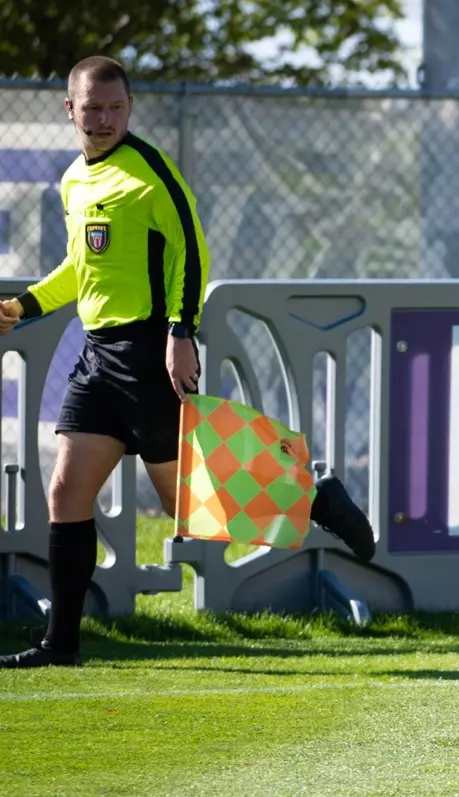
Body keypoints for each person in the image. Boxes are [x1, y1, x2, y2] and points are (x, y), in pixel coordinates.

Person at [0, 56, 376, 670]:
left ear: (130, 108)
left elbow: (192, 255)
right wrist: (24, 305)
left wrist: (181, 333)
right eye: (92, 108)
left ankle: (313, 497)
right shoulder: (74, 180)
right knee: (67, 491)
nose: (104, 119)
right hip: (97, 358)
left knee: (191, 504)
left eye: (115, 108)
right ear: (70, 108)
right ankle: (60, 644)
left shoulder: (150, 173)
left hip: (149, 351)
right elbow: (81, 269)